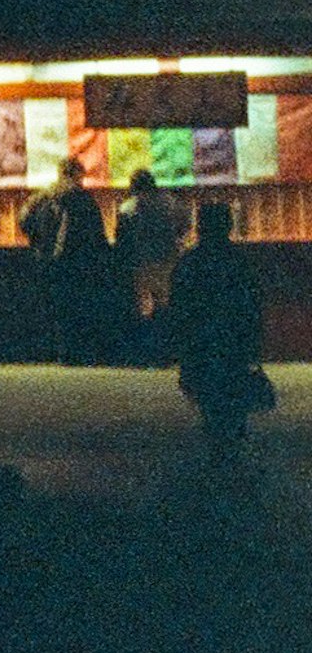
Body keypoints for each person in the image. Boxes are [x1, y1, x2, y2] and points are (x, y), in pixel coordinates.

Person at [169, 200, 274, 456]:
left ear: (200, 227)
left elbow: (179, 306)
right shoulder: (240, 261)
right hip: (233, 340)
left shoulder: (189, 262)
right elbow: (251, 303)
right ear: (228, 225)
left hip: (200, 341)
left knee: (208, 395)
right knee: (233, 390)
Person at [21, 159, 116, 365]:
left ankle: (56, 352)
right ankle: (77, 352)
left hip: (46, 260)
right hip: (77, 261)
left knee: (54, 305)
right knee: (78, 306)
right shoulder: (82, 199)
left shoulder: (41, 197)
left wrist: (37, 242)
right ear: (76, 174)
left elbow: (24, 220)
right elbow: (96, 234)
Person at [116, 170, 186, 348]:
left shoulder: (128, 207)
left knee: (144, 305)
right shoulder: (171, 203)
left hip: (141, 261)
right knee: (165, 302)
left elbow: (122, 237)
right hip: (168, 259)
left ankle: (148, 347)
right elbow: (184, 226)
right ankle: (168, 345)